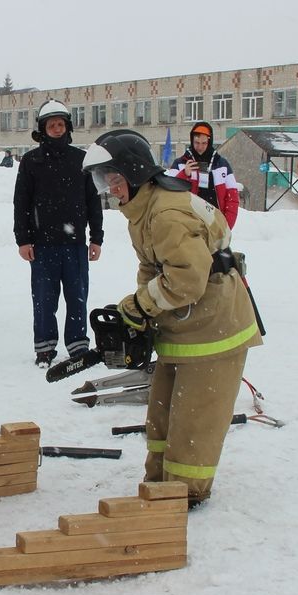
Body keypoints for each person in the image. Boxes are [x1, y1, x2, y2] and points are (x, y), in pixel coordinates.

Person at [82, 130, 262, 508]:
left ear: (132, 173)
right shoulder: (143, 210)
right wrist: (141, 311)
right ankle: (160, 480)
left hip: (214, 325)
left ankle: (183, 493)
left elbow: (186, 279)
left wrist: (142, 305)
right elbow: (152, 268)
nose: (110, 189)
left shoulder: (165, 213)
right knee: (163, 411)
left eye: (113, 179)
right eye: (105, 181)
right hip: (185, 322)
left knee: (194, 418)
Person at [13, 99, 103, 366]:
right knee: (44, 300)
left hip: (74, 244)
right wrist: (24, 240)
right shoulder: (31, 161)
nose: (56, 128)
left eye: (60, 124)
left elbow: (93, 201)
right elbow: (21, 203)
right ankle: (44, 347)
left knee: (77, 297)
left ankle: (77, 346)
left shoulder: (81, 159)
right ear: (43, 128)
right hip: (42, 246)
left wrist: (96, 237)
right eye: (51, 124)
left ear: (68, 127)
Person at [170, 121, 240, 227]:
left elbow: (232, 198)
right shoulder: (180, 164)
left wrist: (226, 226)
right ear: (191, 141)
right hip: (188, 225)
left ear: (209, 141)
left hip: (215, 224)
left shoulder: (222, 165)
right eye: (197, 142)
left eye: (204, 143)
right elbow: (169, 193)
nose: (200, 147)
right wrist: (184, 174)